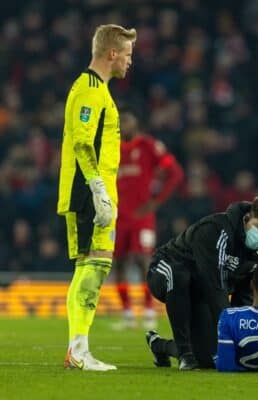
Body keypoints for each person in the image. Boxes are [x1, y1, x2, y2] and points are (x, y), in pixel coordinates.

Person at [57, 24, 136, 371]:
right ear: (112, 53)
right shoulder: (89, 89)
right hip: (87, 190)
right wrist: (98, 189)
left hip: (96, 189)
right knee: (94, 266)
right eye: (128, 54)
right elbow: (82, 142)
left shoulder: (98, 90)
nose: (130, 62)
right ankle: (78, 350)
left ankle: (79, 350)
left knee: (93, 266)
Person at [144, 196, 258, 370]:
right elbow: (215, 286)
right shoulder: (215, 230)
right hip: (164, 270)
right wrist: (232, 331)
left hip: (201, 289)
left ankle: (159, 345)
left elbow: (243, 291)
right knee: (179, 276)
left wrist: (243, 336)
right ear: (248, 217)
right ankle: (184, 354)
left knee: (208, 360)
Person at [113, 108, 184, 330]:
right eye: (121, 122)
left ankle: (149, 311)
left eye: (128, 122)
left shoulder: (149, 146)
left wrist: (156, 202)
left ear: (136, 125)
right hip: (117, 217)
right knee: (120, 264)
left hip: (142, 217)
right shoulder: (112, 148)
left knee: (143, 260)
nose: (124, 126)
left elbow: (175, 172)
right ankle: (127, 314)